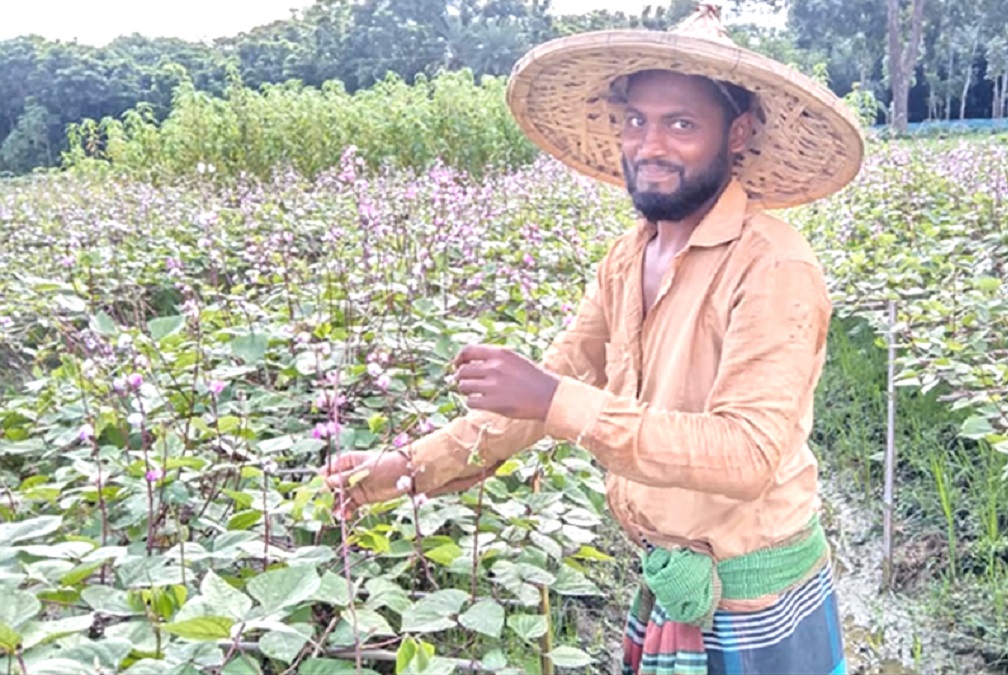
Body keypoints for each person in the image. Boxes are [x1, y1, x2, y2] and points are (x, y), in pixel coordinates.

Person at [320, 4, 864, 674]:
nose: (650, 144)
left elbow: (746, 453)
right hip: (671, 578)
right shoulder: (626, 258)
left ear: (738, 131)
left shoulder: (772, 265)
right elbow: (539, 396)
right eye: (637, 120)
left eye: (682, 124)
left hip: (753, 598)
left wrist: (556, 399)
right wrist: (406, 469)